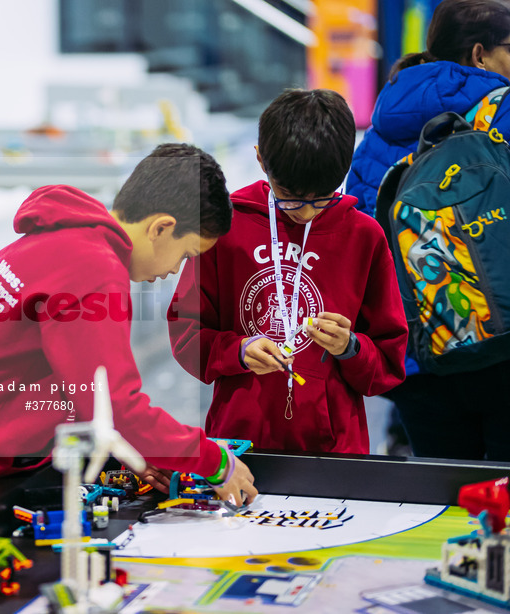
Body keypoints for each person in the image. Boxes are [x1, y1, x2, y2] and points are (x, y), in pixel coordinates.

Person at [0, 143, 259, 526]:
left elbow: (76, 383)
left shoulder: (66, 236)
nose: (176, 269)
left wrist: (133, 450)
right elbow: (117, 406)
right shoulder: (94, 270)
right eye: (186, 254)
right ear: (161, 227)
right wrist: (216, 462)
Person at [168, 89, 408, 455]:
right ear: (261, 161)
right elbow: (186, 332)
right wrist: (237, 351)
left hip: (336, 450)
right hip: (239, 445)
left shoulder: (363, 237)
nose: (307, 212)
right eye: (291, 197)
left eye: (323, 197)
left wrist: (350, 347)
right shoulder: (224, 229)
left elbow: (388, 363)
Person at [346, 0, 510, 461]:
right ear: (480, 54)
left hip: (416, 356)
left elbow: (360, 231)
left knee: (443, 499)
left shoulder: (382, 126)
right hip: (501, 349)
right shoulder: (504, 112)